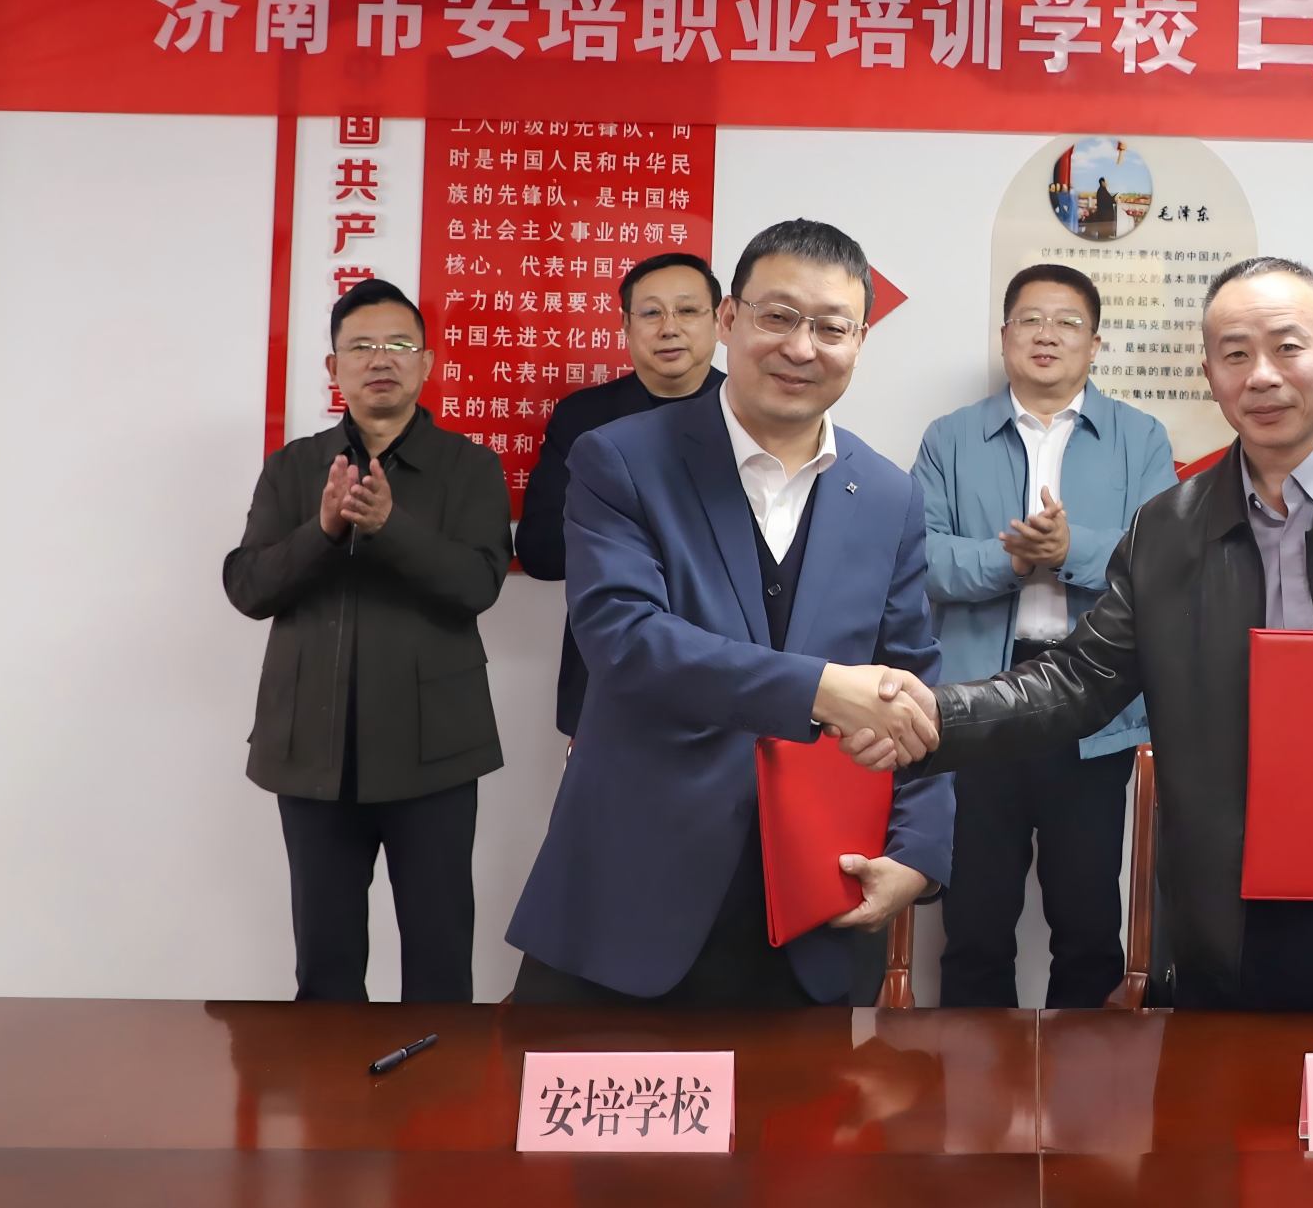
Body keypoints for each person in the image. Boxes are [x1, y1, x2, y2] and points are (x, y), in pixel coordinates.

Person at [866, 256, 1313, 1013]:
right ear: (1209, 374)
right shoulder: (1167, 529)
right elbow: (1078, 682)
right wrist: (929, 715)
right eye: (1235, 354)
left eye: (1286, 347)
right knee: (1221, 1091)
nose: (1261, 376)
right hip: (1228, 923)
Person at [504, 220, 952, 1006]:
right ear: (730, 318)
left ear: (859, 341)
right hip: (633, 895)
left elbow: (913, 681)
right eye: (778, 316)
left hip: (815, 904)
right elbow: (626, 641)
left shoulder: (888, 493)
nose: (801, 347)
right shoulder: (621, 458)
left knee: (803, 1093)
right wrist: (821, 689)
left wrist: (919, 850)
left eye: (831, 327)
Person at [224, 278, 509, 1003]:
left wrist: (390, 527)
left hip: (434, 750)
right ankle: (332, 1085)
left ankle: (438, 1082)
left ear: (427, 362)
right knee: (325, 964)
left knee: (439, 959)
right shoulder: (293, 467)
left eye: (399, 344)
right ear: (334, 367)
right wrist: (323, 531)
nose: (381, 359)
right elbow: (248, 587)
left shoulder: (470, 467)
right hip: (312, 751)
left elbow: (478, 583)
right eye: (361, 346)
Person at [912, 263, 1176, 1008]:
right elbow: (920, 558)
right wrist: (1012, 561)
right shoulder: (950, 438)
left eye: (1067, 322)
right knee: (975, 916)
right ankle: (973, 1076)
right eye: (1030, 319)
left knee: (1087, 918)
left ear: (1095, 343)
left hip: (1091, 698)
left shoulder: (1139, 437)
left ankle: (1084, 1079)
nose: (1046, 335)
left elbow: (1162, 560)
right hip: (976, 700)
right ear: (1004, 337)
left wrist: (1071, 550)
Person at [515, 252, 725, 738]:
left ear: (720, 321)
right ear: (626, 326)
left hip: (726, 673)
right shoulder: (584, 418)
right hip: (606, 673)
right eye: (651, 313)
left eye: (687, 310)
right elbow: (540, 551)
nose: (669, 328)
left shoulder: (754, 419)